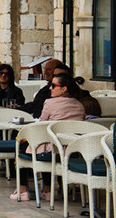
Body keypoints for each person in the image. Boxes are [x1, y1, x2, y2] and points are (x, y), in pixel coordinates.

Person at [10, 72, 87, 201]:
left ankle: (22, 190)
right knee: (44, 145)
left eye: (53, 85)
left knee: (24, 145)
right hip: (72, 151)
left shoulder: (50, 103)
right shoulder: (80, 106)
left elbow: (41, 124)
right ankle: (46, 190)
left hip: (53, 150)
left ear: (64, 89)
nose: (50, 88)